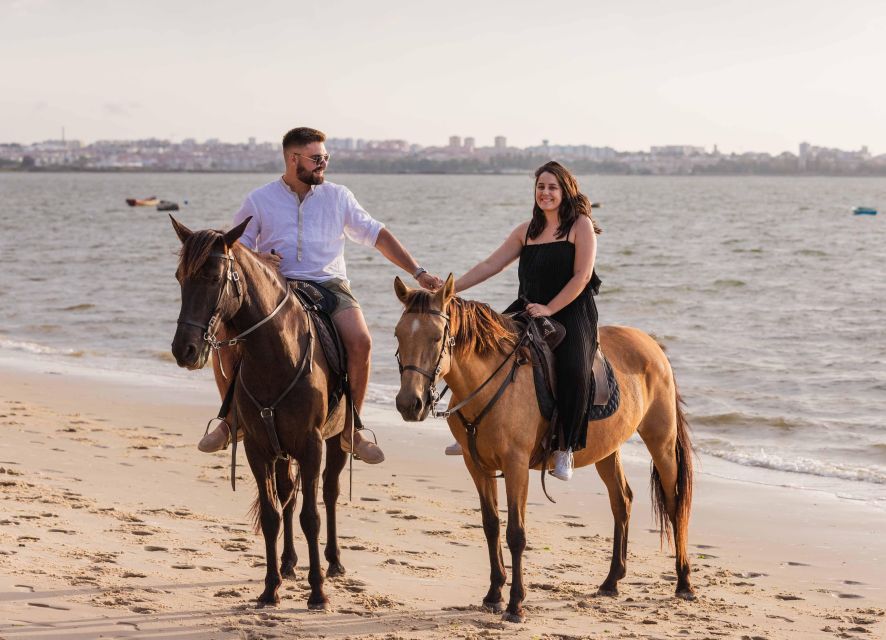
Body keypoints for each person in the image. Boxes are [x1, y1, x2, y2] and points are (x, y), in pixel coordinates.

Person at [199, 126, 443, 462]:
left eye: (325, 157)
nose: (323, 164)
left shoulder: (339, 196)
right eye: (316, 158)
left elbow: (377, 235)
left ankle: (352, 430)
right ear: (293, 158)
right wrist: (258, 259)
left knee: (362, 341)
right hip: (277, 285)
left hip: (329, 285)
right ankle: (230, 420)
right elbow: (234, 248)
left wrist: (418, 271)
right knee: (224, 337)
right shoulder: (259, 199)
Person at [450, 161, 601, 480]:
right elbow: (491, 264)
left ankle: (566, 447)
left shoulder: (579, 226)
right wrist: (450, 288)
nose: (545, 193)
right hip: (528, 307)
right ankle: (465, 431)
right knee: (478, 351)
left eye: (552, 187)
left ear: (566, 190)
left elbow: (582, 276)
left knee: (575, 368)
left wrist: (550, 308)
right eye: (540, 187)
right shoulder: (526, 231)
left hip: (572, 309)